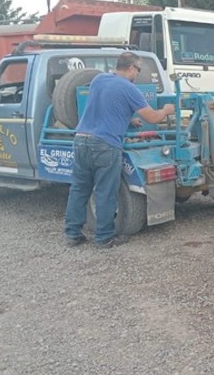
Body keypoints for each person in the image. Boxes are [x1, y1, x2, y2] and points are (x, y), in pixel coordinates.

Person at [64, 52, 175, 248]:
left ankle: (73, 234)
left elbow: (104, 103)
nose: (138, 74)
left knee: (79, 189)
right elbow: (152, 118)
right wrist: (166, 110)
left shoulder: (98, 79)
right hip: (105, 145)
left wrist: (127, 118)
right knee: (106, 191)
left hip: (81, 140)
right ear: (131, 68)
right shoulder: (130, 89)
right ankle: (104, 238)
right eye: (138, 69)